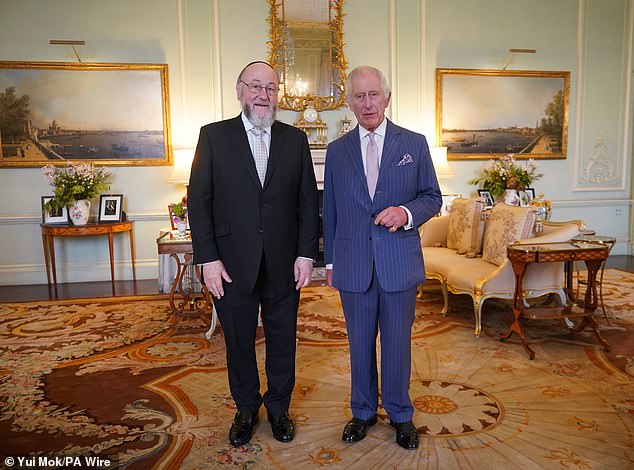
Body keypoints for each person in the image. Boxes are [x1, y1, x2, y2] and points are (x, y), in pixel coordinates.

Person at [188, 61, 319, 447]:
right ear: (240, 90)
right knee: (238, 341)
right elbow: (199, 202)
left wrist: (306, 254)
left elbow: (308, 203)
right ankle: (246, 408)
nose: (263, 95)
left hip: (284, 262)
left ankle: (279, 408)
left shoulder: (295, 140)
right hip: (229, 264)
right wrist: (207, 259)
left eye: (271, 88)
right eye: (256, 86)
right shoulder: (213, 136)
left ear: (278, 95)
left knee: (283, 340)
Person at [323, 66, 442, 450]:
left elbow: (432, 197)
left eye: (374, 95)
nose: (367, 103)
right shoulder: (337, 151)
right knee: (359, 342)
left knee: (396, 343)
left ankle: (400, 414)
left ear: (387, 98)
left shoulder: (415, 144)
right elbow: (331, 209)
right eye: (359, 96)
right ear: (349, 101)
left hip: (398, 263)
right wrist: (329, 262)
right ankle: (362, 412)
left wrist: (405, 214)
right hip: (354, 263)